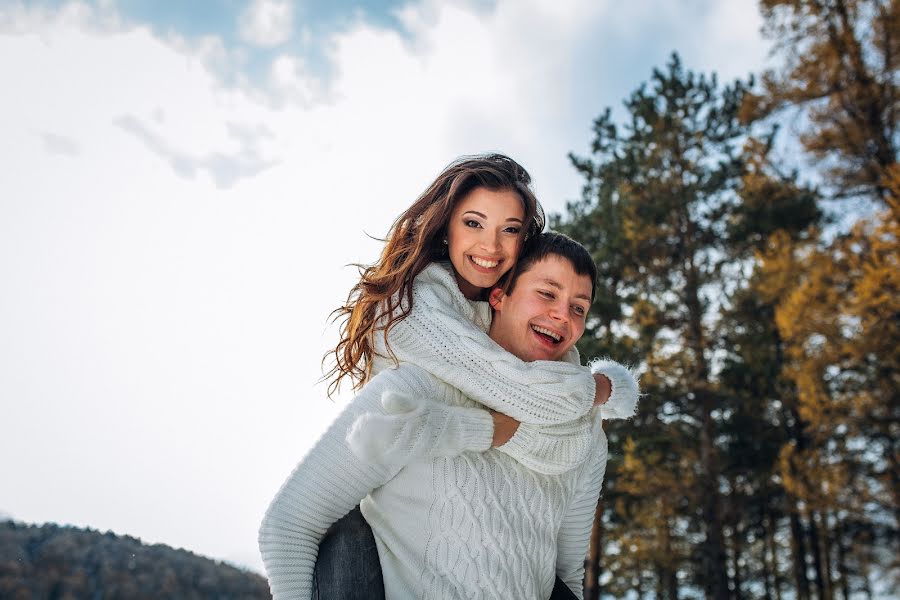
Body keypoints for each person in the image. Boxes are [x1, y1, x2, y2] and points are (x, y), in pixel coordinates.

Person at [259, 232, 629, 599]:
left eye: (578, 307)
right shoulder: (412, 392)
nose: (562, 315)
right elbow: (288, 525)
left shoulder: (585, 435)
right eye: (547, 293)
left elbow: (564, 576)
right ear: (499, 296)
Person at [325, 154, 637, 475]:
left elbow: (573, 438)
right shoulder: (409, 308)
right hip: (367, 494)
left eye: (510, 229)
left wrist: (603, 393)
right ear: (446, 226)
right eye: (474, 223)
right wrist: (603, 387)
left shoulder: (497, 306)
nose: (491, 245)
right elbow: (538, 397)